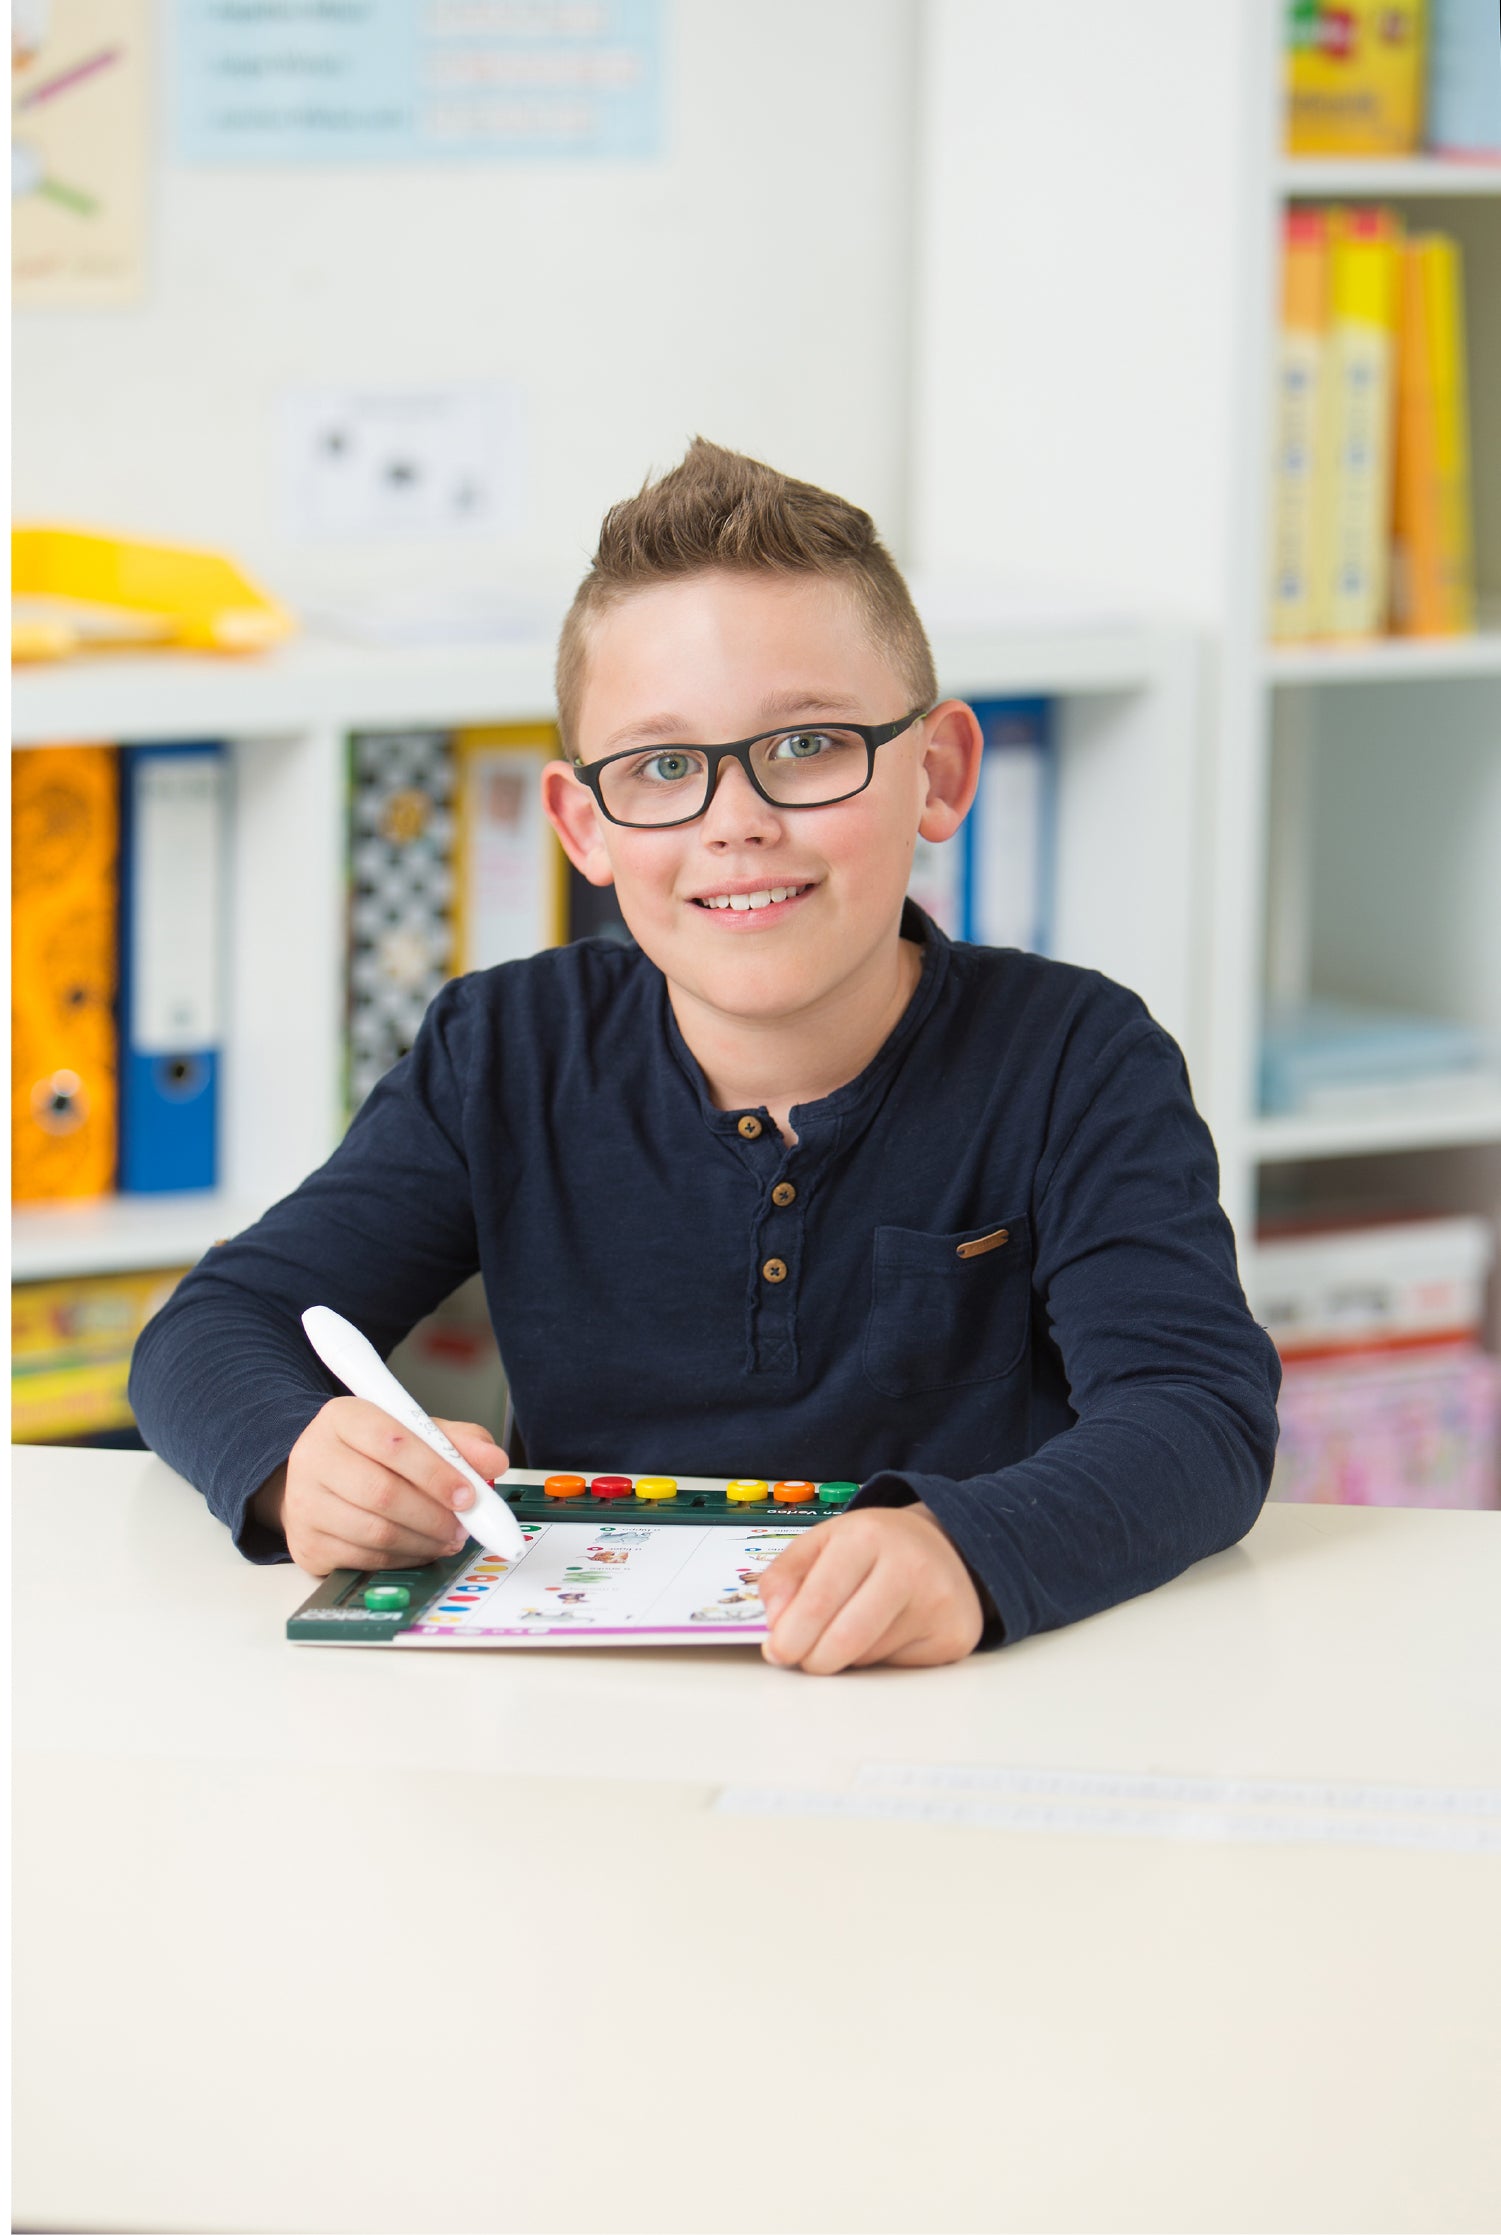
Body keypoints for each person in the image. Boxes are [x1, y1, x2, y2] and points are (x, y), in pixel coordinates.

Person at [128, 439, 1280, 1674]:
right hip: (590, 1714)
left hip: (952, 1697)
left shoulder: (1075, 1055)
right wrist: (296, 1462)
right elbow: (212, 1327)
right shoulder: (504, 1049)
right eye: (664, 768)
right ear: (585, 826)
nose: (737, 820)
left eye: (807, 746)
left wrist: (970, 1549)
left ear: (936, 774)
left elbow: (1196, 1413)